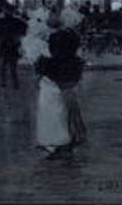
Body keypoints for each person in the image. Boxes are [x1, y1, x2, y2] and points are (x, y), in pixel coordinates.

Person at [35, 10, 86, 158]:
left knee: (53, 109)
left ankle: (55, 141)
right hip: (70, 75)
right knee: (68, 109)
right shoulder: (73, 36)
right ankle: (69, 138)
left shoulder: (55, 37)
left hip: (57, 76)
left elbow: (51, 56)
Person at [0, 5, 27, 89]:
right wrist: (18, 36)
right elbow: (25, 28)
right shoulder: (17, 21)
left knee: (3, 65)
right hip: (13, 44)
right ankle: (15, 83)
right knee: (13, 66)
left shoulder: (1, 21)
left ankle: (3, 82)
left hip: (5, 44)